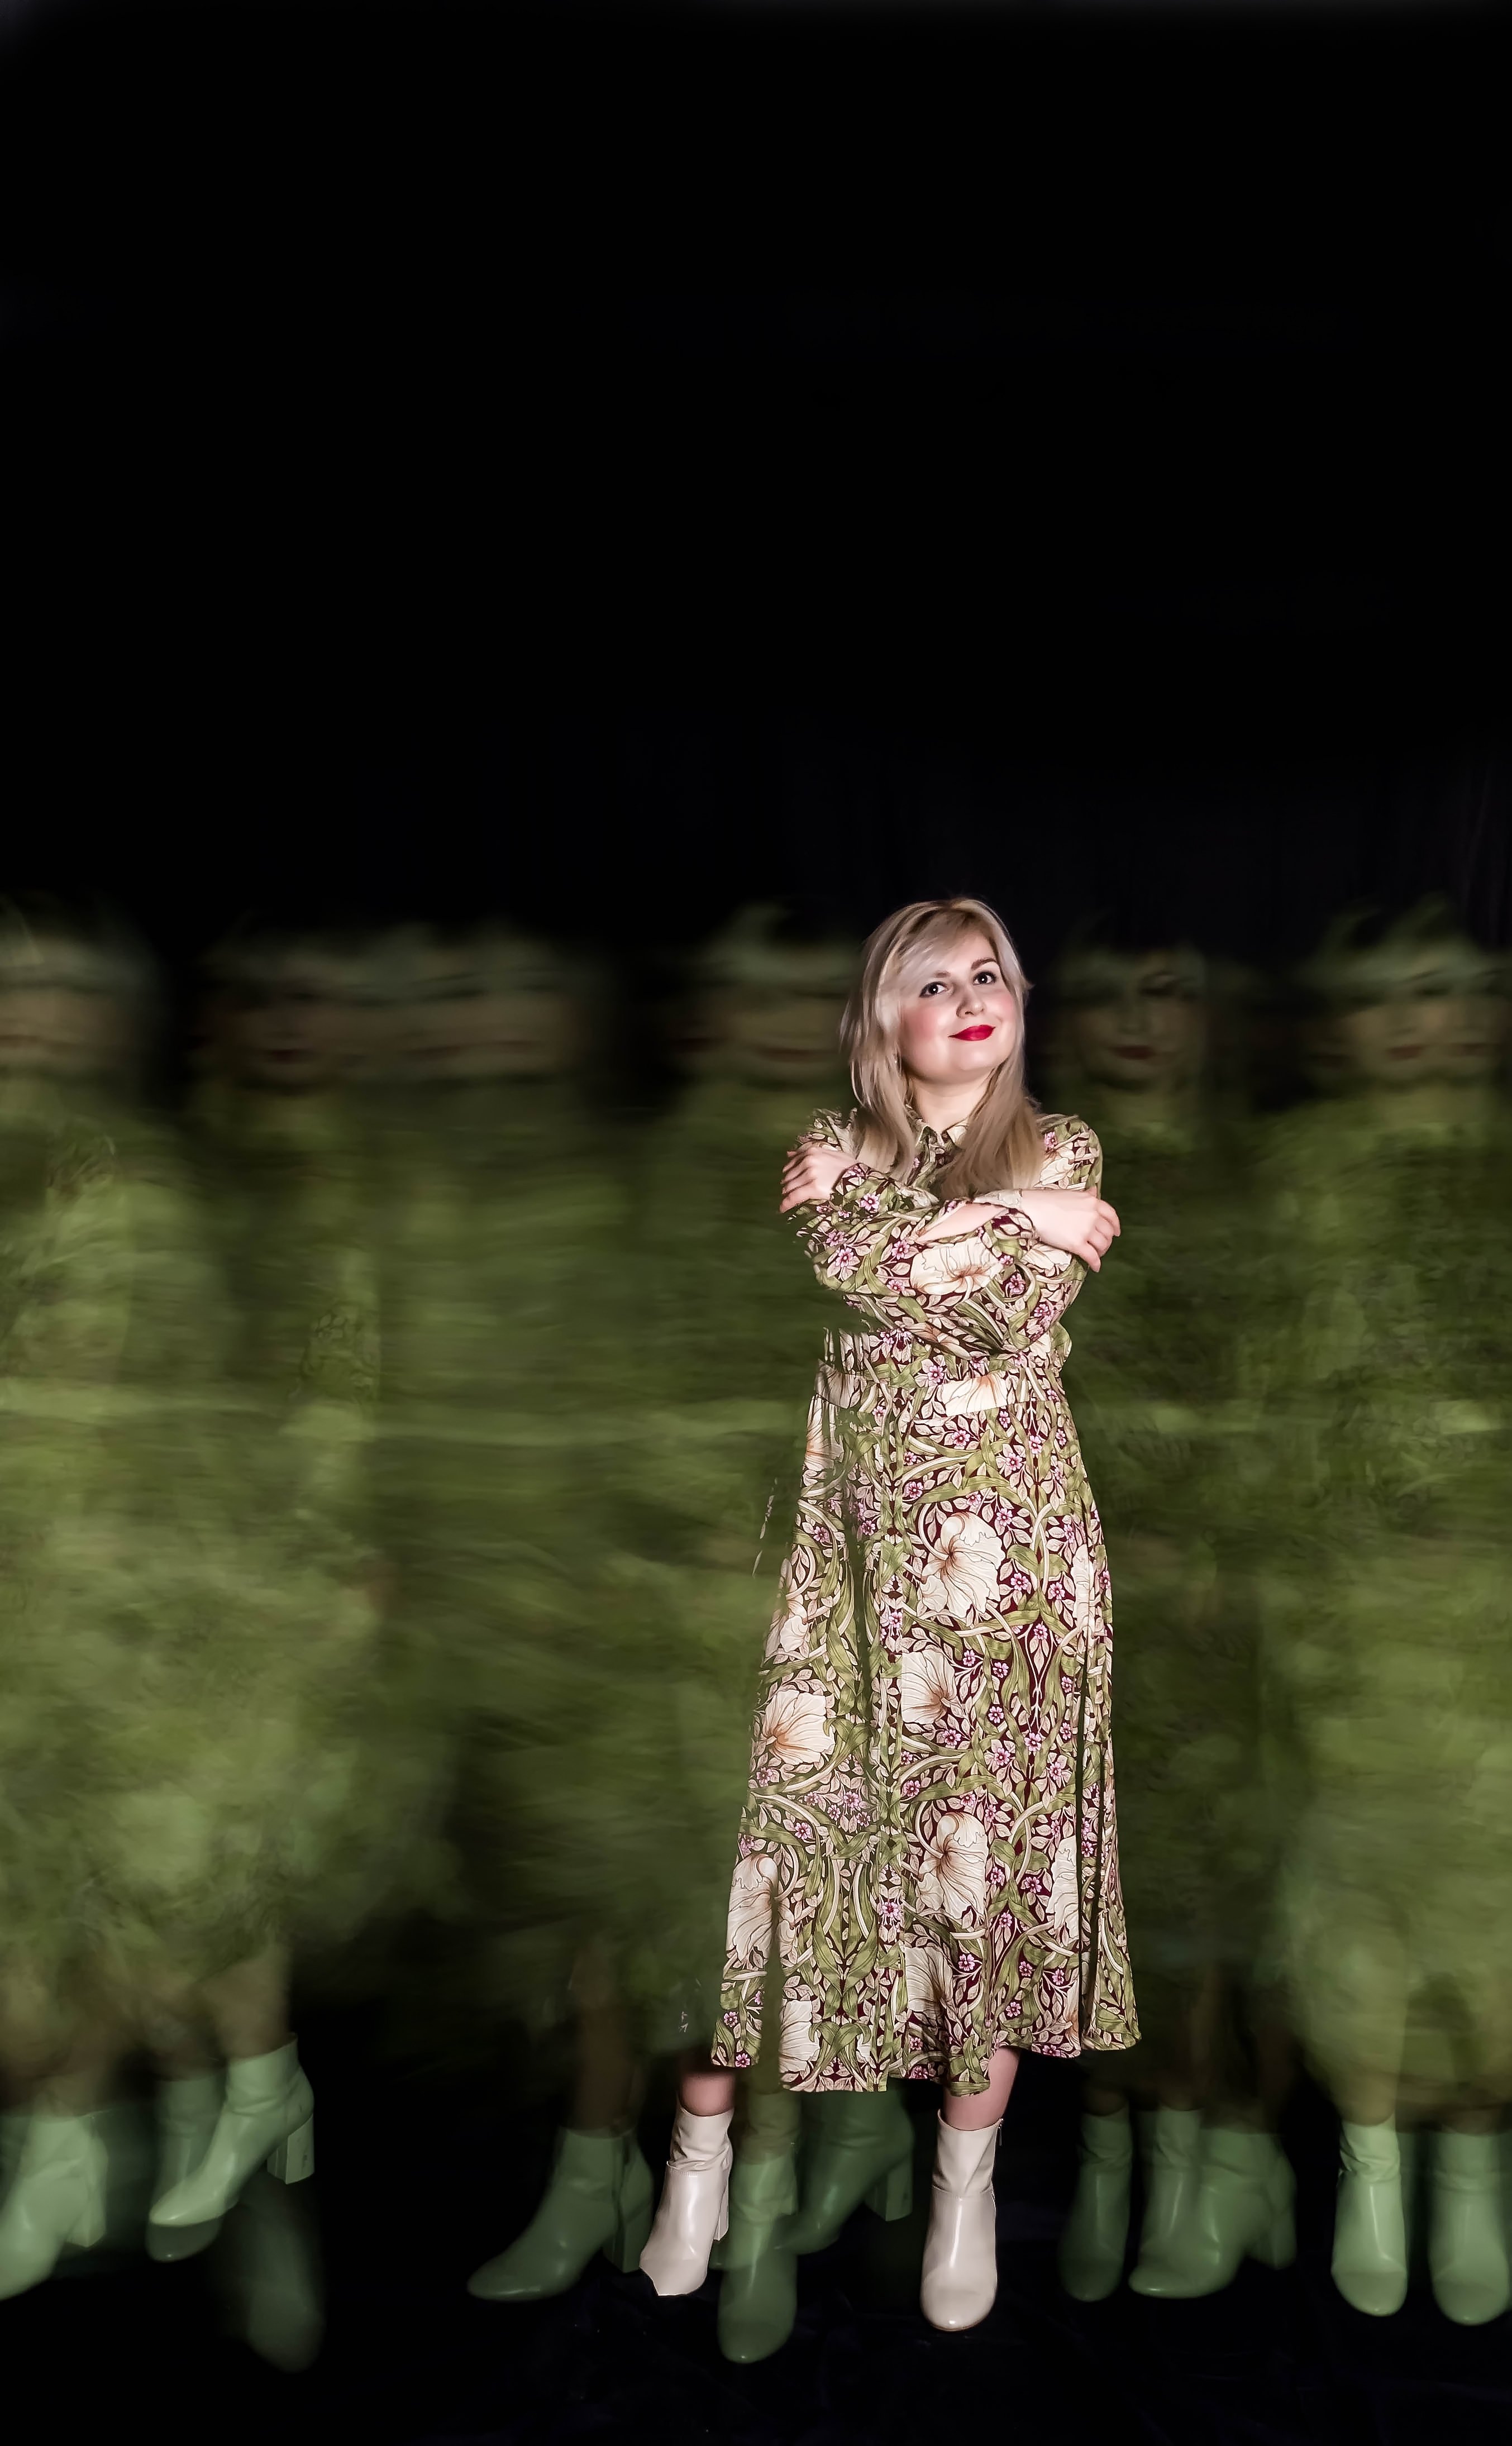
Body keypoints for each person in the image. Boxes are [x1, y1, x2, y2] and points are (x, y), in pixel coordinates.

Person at [637, 895, 1137, 2335]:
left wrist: (999, 1212)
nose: (972, 1000)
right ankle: (696, 2163)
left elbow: (994, 1317)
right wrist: (1002, 1221)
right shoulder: (825, 1147)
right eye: (935, 982)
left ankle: (964, 2187)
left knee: (989, 1875)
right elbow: (852, 1272)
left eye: (991, 976)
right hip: (844, 1566)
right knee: (781, 1845)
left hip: (1015, 1570)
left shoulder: (1066, 1150)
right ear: (881, 1018)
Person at [1249, 901, 1512, 2325]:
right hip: (1342, 1605)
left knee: (1494, 1900)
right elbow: (1264, 1395)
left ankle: (1473, 2166)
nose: (1412, 1022)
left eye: (1440, 990)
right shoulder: (1292, 1182)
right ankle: (1370, 2158)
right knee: (1351, 1888)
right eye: (1380, 996)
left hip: (1496, 1611)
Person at [1044, 924, 1292, 2304]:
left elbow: (1298, 1388)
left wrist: (1217, 1541)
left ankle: (1209, 2153)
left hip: (1222, 1596)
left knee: (1209, 1880)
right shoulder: (1022, 1172)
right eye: (1104, 997)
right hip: (1054, 1575)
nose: (1137, 1023)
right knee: (1081, 1875)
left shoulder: (1262, 1180)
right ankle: (1108, 2152)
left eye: (1166, 995)